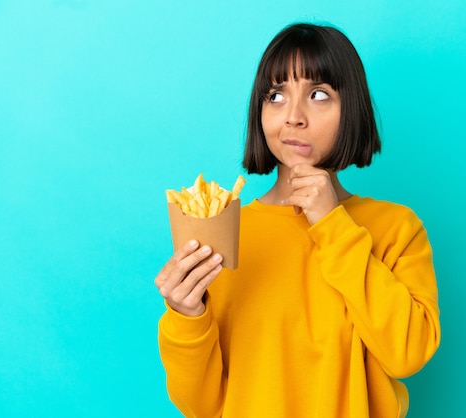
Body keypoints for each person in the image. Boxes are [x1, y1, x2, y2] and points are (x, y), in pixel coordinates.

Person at [155, 22, 440, 418]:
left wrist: (332, 225)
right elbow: (201, 405)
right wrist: (186, 316)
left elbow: (407, 353)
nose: (293, 117)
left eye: (319, 95)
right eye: (276, 96)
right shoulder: (225, 231)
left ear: (351, 109)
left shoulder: (395, 228)